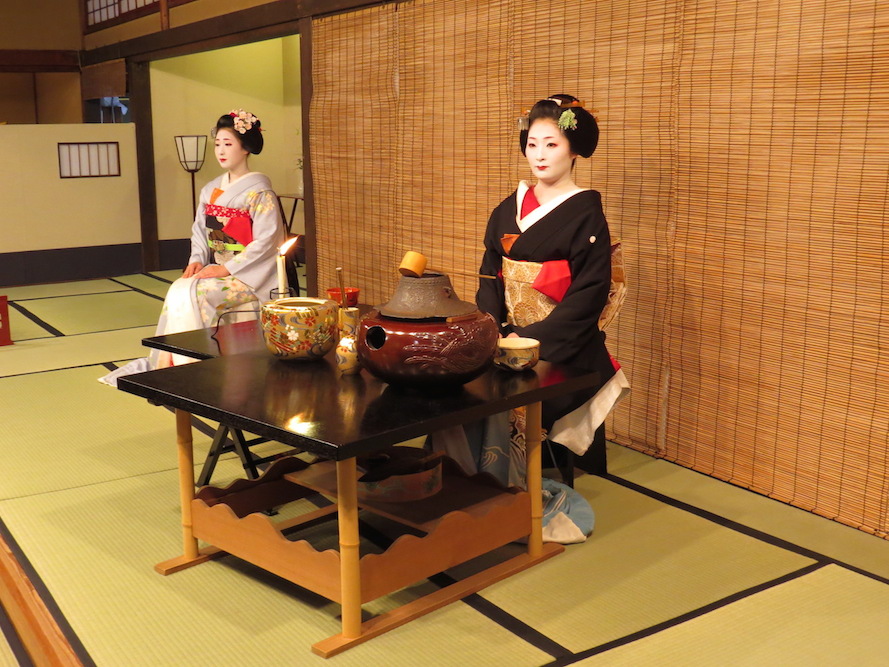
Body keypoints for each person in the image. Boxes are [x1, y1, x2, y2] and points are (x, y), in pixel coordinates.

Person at [431, 94, 629, 543]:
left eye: (552, 145)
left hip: (560, 342)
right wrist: (491, 325)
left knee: (511, 402)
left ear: (574, 150)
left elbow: (589, 292)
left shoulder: (585, 210)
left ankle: (508, 495)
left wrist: (529, 337)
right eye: (533, 144)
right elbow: (489, 270)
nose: (539, 155)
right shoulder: (509, 206)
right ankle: (462, 491)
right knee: (458, 385)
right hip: (503, 332)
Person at [100, 109, 286, 386]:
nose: (221, 151)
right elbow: (200, 229)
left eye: (228, 144)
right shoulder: (210, 189)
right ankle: (170, 364)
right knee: (179, 288)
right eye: (218, 144)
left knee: (194, 295)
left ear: (246, 148)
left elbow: (267, 240)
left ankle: (193, 370)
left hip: (249, 275)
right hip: (219, 268)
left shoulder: (260, 192)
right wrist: (197, 259)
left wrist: (225, 268)